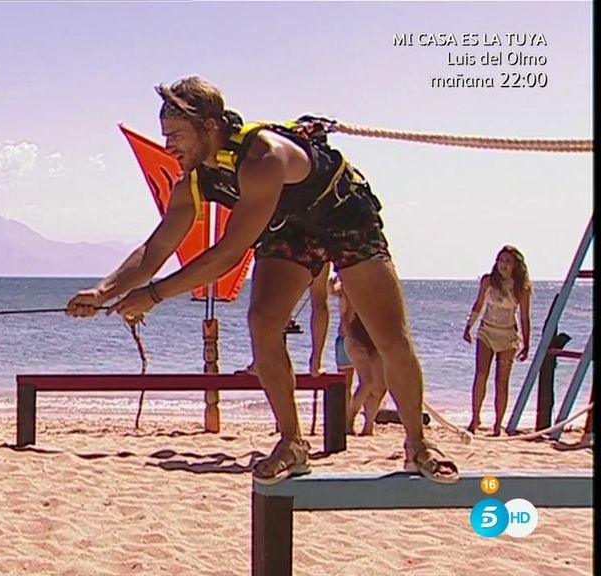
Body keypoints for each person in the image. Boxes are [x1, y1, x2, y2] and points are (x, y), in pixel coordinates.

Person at [65, 75, 459, 485]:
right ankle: (292, 443)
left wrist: (154, 295)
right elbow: (157, 247)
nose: (169, 147)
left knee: (389, 337)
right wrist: (104, 290)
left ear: (210, 126)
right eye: (166, 136)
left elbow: (229, 254)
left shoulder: (262, 157)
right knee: (263, 321)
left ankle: (419, 445)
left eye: (177, 135)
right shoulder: (195, 177)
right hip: (288, 229)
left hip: (343, 216)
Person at [463, 245, 532, 436]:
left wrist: (527, 344)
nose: (503, 265)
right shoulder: (488, 281)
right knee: (481, 375)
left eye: (507, 262)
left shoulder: (522, 288)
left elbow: (525, 317)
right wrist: (468, 326)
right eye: (501, 260)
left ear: (515, 266)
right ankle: (475, 418)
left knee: (502, 382)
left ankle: (497, 424)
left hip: (508, 336)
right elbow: (478, 305)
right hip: (486, 332)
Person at [331, 272, 387, 435]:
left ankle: (367, 426)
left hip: (366, 340)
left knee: (377, 387)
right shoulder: (349, 289)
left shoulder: (371, 291)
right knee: (362, 384)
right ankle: (349, 421)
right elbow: (335, 291)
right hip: (351, 339)